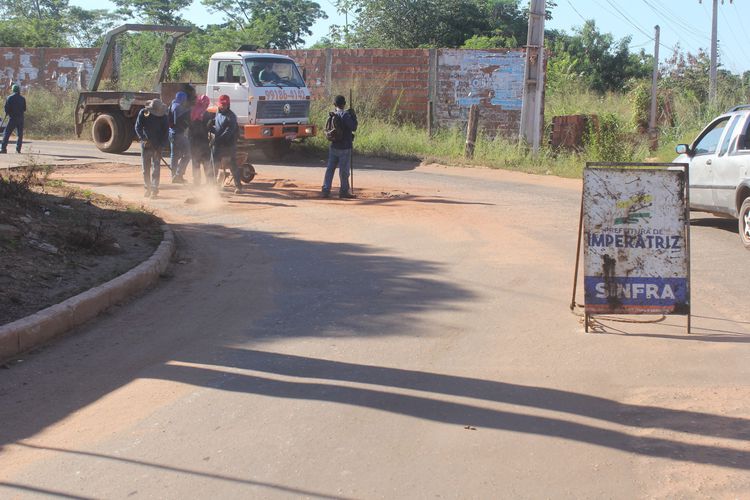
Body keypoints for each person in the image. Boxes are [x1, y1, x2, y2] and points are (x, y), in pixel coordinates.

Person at [321, 94, 358, 199]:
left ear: (334, 104)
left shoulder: (332, 115)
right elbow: (354, 127)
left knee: (330, 169)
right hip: (345, 147)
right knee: (344, 171)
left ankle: (326, 189)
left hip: (333, 146)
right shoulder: (345, 115)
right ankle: (344, 191)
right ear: (344, 104)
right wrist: (354, 116)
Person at [134, 98, 169, 198]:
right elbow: (138, 127)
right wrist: (144, 139)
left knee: (156, 168)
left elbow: (166, 133)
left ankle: (154, 189)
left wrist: (161, 146)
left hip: (157, 146)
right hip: (146, 145)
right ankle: (147, 188)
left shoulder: (164, 117)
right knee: (146, 169)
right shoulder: (144, 113)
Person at [212, 94, 243, 194]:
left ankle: (238, 186)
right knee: (214, 164)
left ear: (228, 104)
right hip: (218, 143)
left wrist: (218, 139)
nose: (222, 106)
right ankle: (212, 186)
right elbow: (217, 125)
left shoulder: (232, 116)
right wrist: (210, 126)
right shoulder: (218, 112)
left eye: (224, 105)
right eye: (221, 104)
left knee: (232, 165)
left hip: (229, 144)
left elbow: (228, 131)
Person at [189, 94, 213, 185]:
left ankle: (196, 182)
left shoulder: (192, 112)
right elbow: (208, 128)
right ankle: (209, 182)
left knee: (196, 163)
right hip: (203, 142)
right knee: (206, 162)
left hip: (193, 142)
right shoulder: (206, 114)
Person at [168, 91, 191, 183]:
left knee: (174, 155)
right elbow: (180, 121)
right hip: (178, 134)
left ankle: (174, 176)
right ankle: (178, 174)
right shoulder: (178, 107)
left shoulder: (172, 105)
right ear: (182, 99)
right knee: (188, 154)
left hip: (171, 133)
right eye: (184, 100)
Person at [1, 83, 26, 154]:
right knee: (20, 134)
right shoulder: (22, 98)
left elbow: (6, 108)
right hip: (21, 118)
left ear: (12, 90)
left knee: (6, 133)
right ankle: (18, 150)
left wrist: (8, 113)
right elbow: (24, 109)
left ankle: (3, 149)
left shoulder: (10, 97)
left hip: (12, 118)